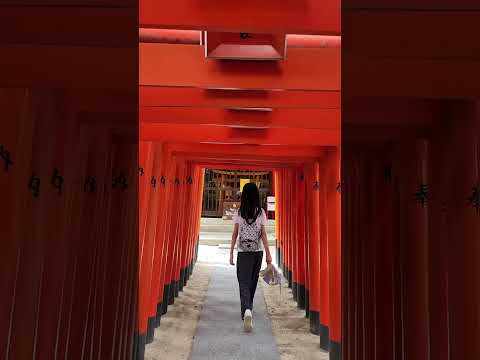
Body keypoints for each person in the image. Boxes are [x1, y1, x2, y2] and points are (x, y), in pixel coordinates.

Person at [229, 182, 272, 332]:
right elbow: (264, 234)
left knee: (243, 281)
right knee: (252, 281)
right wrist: (268, 254)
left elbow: (235, 234)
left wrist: (231, 253)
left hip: (243, 252)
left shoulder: (240, 213)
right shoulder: (261, 213)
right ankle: (249, 307)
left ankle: (246, 309)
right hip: (257, 252)